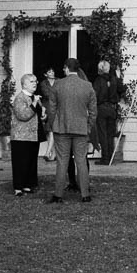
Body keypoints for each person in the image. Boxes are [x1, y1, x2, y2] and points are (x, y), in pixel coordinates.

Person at [45, 58, 97, 203]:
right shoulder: (87, 85)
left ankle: (58, 195)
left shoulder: (58, 84)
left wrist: (53, 124)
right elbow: (93, 111)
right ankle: (85, 195)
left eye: (64, 68)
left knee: (62, 162)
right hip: (80, 129)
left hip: (61, 128)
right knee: (81, 161)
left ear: (67, 68)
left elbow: (52, 108)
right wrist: (88, 127)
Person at [10, 73, 45, 195]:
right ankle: (18, 187)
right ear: (24, 85)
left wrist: (43, 114)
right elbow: (23, 115)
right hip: (21, 137)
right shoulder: (20, 98)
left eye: (35, 81)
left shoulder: (34, 97)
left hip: (33, 136)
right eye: (31, 81)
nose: (35, 83)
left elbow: (38, 115)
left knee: (30, 161)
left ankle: (28, 185)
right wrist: (34, 104)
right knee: (21, 162)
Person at [92, 60, 124, 165]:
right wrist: (119, 78)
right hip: (112, 108)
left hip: (102, 108)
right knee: (110, 134)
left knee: (102, 133)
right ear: (108, 68)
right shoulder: (114, 79)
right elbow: (122, 89)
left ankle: (105, 158)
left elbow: (94, 95)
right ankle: (110, 157)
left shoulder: (98, 80)